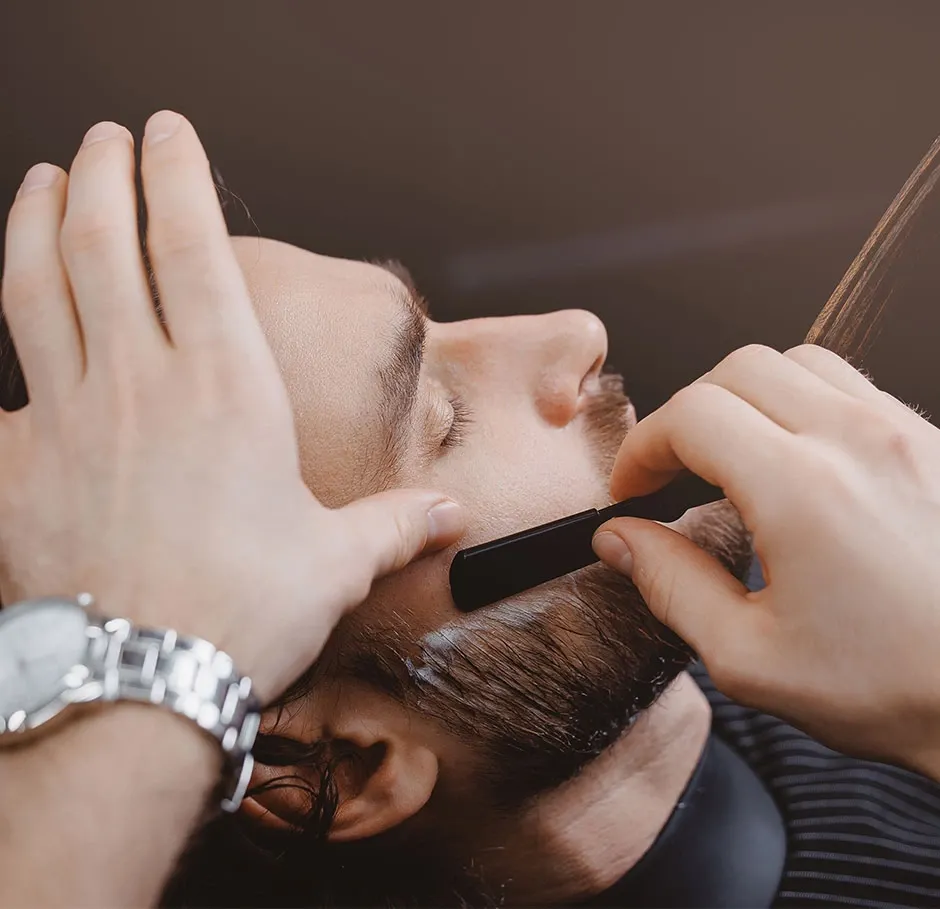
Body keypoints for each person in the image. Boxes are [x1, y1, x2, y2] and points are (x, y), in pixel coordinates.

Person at [1, 112, 940, 909]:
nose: (573, 330)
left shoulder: (873, 580)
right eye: (445, 419)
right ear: (341, 767)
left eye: (433, 316)